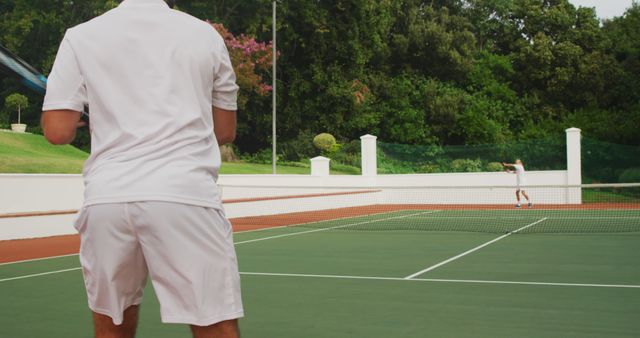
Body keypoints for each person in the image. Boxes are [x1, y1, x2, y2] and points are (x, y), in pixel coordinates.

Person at [41, 0, 243, 337]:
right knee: (215, 323)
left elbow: (57, 131)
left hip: (108, 199)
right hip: (184, 196)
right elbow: (224, 132)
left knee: (113, 323)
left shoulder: (80, 36)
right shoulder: (205, 35)